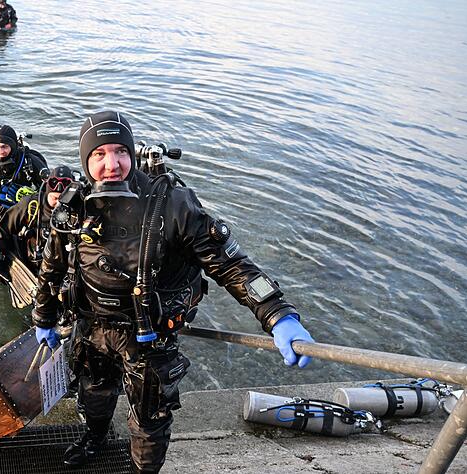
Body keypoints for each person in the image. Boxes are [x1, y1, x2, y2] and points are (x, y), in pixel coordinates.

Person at [32, 111, 315, 473]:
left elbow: (229, 264)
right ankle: (95, 437)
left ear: (132, 153)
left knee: (149, 418)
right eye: (99, 155)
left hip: (149, 335)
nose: (111, 164)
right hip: (92, 328)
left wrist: (277, 313)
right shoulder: (74, 207)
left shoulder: (172, 204)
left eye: (120, 151)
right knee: (93, 394)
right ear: (85, 161)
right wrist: (42, 317)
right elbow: (51, 266)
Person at [0, 165, 76, 282]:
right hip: (33, 262)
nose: (58, 204)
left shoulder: (77, 209)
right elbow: (2, 228)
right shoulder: (31, 205)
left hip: (64, 265)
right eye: (55, 199)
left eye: (62, 199)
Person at [0, 125, 48, 248]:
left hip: (27, 217)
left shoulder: (30, 162)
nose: (0, 152)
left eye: (4, 147)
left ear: (13, 145)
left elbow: (49, 192)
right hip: (2, 216)